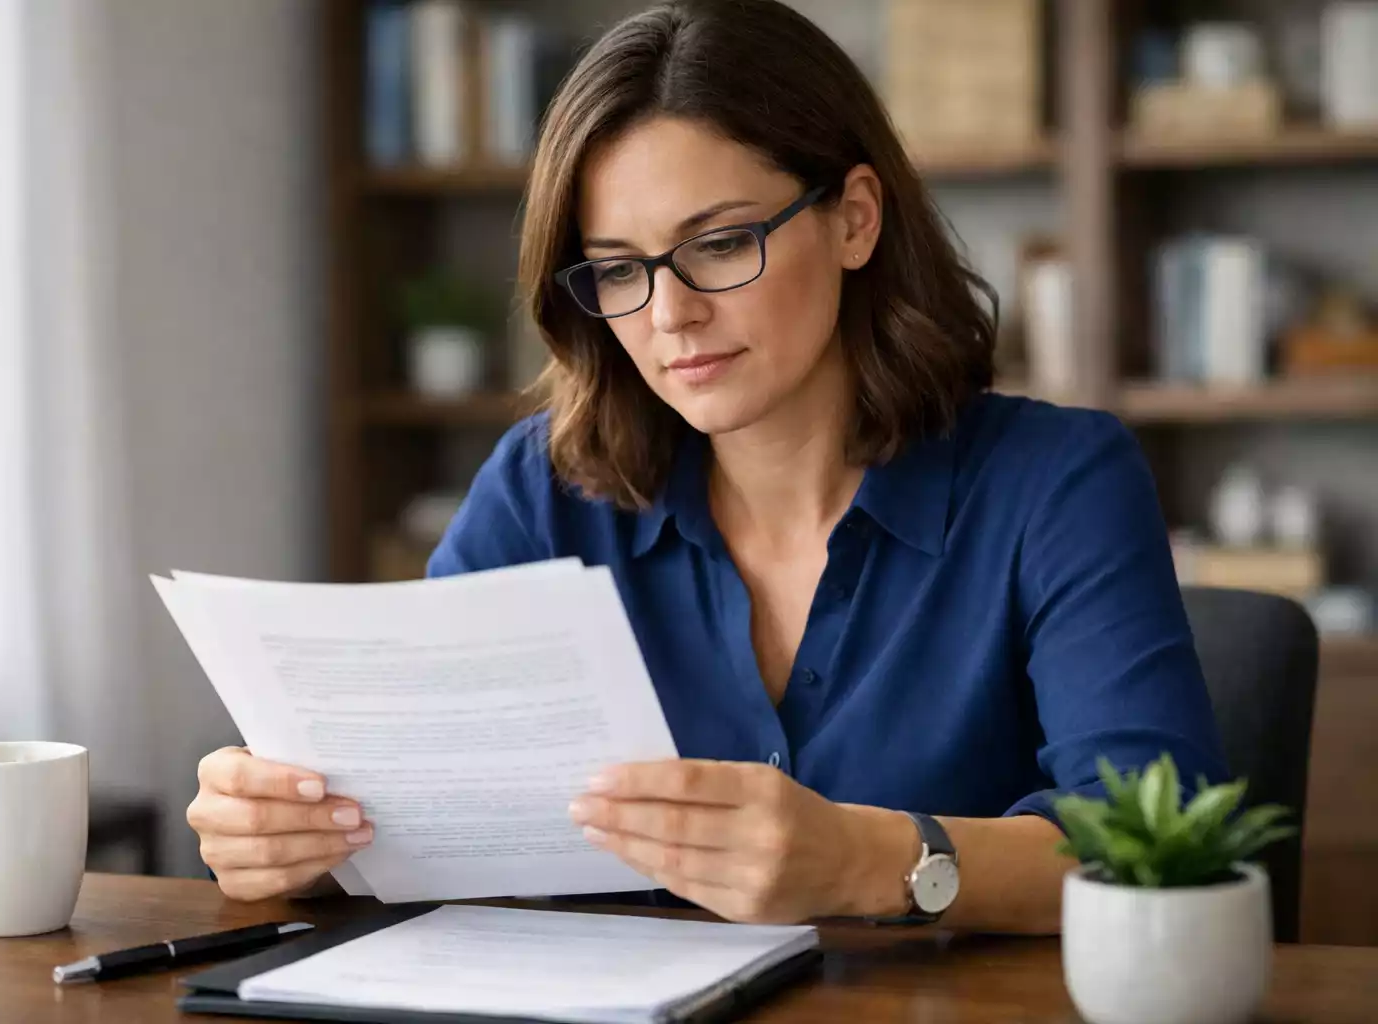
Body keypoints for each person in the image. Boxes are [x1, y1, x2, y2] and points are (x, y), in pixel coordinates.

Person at [187, 0, 1228, 932]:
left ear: (855, 219)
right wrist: (294, 840)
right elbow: (417, 805)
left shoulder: (1057, 482)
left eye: (722, 244)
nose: (671, 314)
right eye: (618, 269)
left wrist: (866, 859)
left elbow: (1167, 852)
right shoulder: (541, 490)